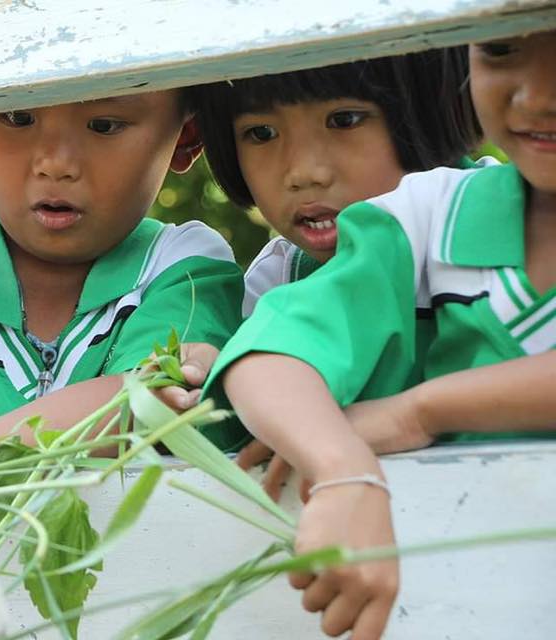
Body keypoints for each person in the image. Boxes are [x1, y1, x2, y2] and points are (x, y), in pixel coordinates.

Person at [202, 31, 556, 640]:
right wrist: (342, 468)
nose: (539, 95)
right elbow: (268, 358)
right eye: (502, 48)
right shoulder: (422, 217)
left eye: (344, 119)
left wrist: (415, 411)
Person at [0, 91, 244, 468]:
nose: (56, 163)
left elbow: (148, 400)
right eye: (18, 117)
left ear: (187, 138)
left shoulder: (182, 269)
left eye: (104, 125)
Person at [176, 48, 482, 456]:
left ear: (428, 105)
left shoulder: (506, 220)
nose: (304, 173)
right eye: (262, 134)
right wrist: (191, 395)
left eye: (344, 120)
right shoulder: (278, 277)